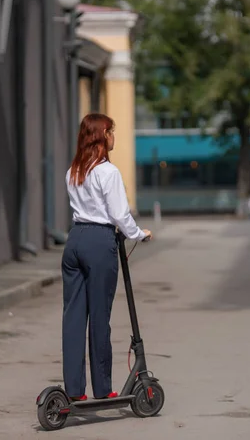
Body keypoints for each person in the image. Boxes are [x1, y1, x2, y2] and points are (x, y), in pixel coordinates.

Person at [62, 112, 152, 401]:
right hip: (99, 243)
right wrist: (139, 233)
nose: (114, 136)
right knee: (100, 317)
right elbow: (119, 214)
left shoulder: (74, 170)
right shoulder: (107, 172)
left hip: (74, 240)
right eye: (111, 131)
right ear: (102, 136)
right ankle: (103, 388)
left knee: (74, 318)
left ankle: (74, 390)